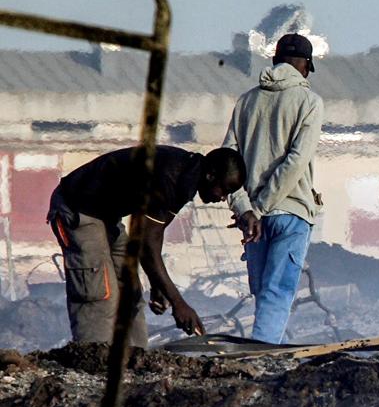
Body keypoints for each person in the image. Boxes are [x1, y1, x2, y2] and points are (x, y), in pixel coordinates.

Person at [47, 146, 246, 345]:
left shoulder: (187, 179)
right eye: (225, 190)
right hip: (78, 208)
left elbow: (154, 234)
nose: (222, 198)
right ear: (211, 175)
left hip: (107, 215)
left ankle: (134, 358)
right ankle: (95, 362)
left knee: (130, 289)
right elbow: (146, 245)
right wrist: (179, 303)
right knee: (99, 290)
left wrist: (158, 282)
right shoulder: (170, 175)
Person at [223, 33, 324, 343]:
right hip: (291, 213)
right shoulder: (309, 102)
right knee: (277, 291)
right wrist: (262, 207)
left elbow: (227, 162)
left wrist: (246, 209)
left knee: (263, 291)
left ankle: (262, 347)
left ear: (274, 60)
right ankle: (262, 354)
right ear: (305, 66)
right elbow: (295, 163)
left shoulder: (246, 101)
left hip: (253, 219)